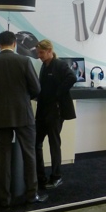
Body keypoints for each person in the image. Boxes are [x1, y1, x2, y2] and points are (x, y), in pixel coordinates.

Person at [0, 31, 47, 208]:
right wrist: (23, 97)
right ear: (15, 43)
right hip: (23, 114)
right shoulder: (25, 61)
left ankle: (4, 198)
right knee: (29, 155)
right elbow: (36, 88)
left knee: (4, 157)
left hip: (0, 114)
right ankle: (31, 194)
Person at [34, 39, 77, 190]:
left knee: (54, 143)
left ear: (49, 51)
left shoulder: (59, 65)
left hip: (56, 111)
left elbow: (72, 78)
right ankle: (40, 176)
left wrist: (57, 94)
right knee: (36, 142)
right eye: (38, 53)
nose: (39, 55)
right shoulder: (44, 66)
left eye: (41, 52)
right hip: (43, 110)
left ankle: (56, 177)